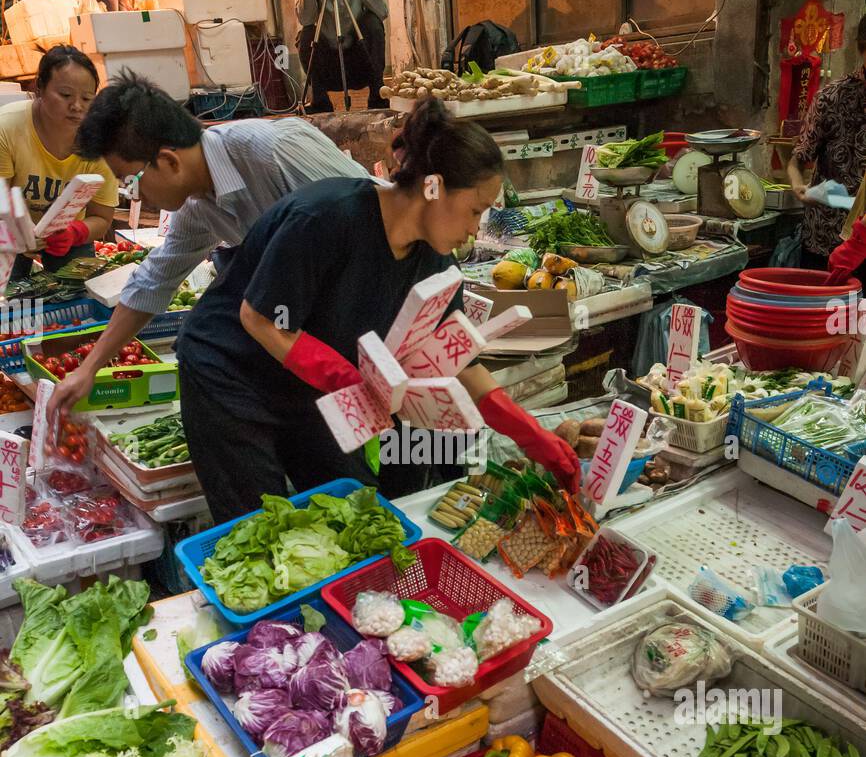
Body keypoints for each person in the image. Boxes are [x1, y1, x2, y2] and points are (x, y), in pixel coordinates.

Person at [169, 100, 581, 523]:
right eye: (475, 210)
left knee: (355, 511)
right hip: (231, 371)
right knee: (258, 523)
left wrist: (528, 432)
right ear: (432, 187)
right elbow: (259, 319)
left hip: (307, 379)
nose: (476, 228)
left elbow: (459, 361)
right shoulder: (326, 216)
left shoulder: (435, 262)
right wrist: (349, 378)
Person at [48, 71, 369, 419]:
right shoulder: (199, 204)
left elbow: (373, 217)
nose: (133, 194)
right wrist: (90, 368)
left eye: (131, 181)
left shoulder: (273, 150)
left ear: (169, 162)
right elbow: (155, 279)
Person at [0, 46, 118, 280]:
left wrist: (75, 232)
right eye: (65, 95)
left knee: (75, 294)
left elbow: (102, 218)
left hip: (65, 238)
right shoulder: (8, 128)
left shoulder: (98, 144)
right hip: (6, 231)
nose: (77, 106)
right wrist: (17, 234)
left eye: (86, 98)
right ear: (39, 88)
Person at [787, 14, 866, 267]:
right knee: (829, 307)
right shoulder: (831, 99)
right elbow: (797, 160)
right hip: (827, 241)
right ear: (861, 50)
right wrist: (801, 189)